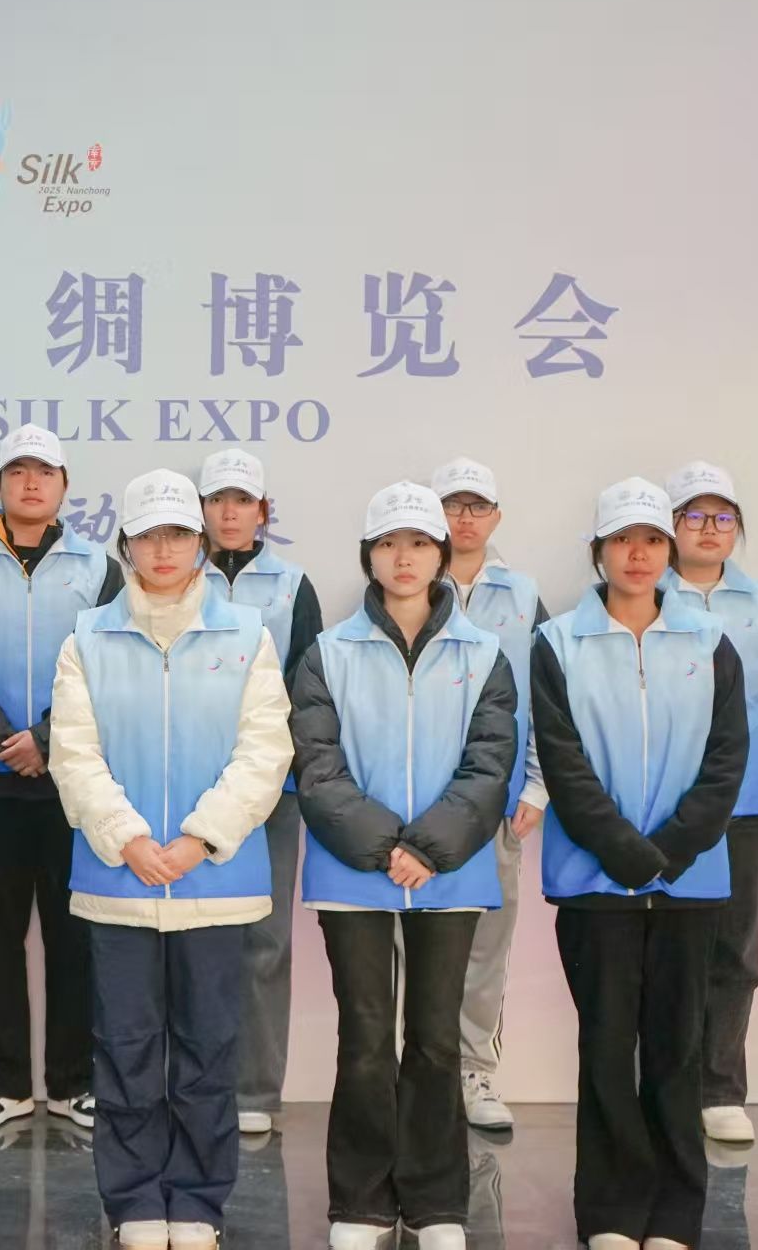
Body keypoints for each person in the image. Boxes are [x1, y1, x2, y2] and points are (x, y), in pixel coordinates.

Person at [49, 469, 293, 1250]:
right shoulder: (88, 638)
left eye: (178, 534)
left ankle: (197, 1202)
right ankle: (131, 1201)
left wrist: (198, 839)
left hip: (213, 879)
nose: (164, 549)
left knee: (207, 1048)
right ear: (125, 545)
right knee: (124, 1047)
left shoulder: (248, 635)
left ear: (201, 542)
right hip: (118, 877)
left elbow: (265, 751)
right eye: (148, 535)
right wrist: (126, 837)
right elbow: (74, 753)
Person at [291, 481, 516, 1250]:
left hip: (449, 873)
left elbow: (490, 764)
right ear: (369, 556)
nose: (405, 557)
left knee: (434, 1039)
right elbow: (317, 765)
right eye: (389, 544)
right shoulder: (328, 653)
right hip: (352, 870)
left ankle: (435, 1203)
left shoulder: (483, 654)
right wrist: (386, 845)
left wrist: (429, 847)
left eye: (419, 543)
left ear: (442, 554)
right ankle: (359, 1203)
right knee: (363, 1038)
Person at [533, 478, 749, 1250]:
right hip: (595, 881)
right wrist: (626, 852)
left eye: (653, 539)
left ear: (669, 549)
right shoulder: (558, 643)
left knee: (676, 1050)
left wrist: (673, 850)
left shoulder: (709, 642)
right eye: (622, 539)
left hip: (689, 881)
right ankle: (611, 1214)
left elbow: (727, 757)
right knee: (605, 1049)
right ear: (598, 551)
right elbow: (562, 761)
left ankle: (676, 1214)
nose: (638, 554)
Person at [0, 424, 122, 1133]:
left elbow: (110, 660)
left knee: (77, 938)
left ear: (64, 486)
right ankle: (4, 1082)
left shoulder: (99, 567)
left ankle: (77, 1082)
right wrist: (2, 740)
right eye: (18, 471)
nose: (31, 483)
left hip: (73, 779)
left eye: (45, 472)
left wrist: (46, 738)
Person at [659, 461, 758, 1146]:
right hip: (662, 797)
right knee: (664, 947)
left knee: (735, 947)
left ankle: (720, 1090)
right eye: (694, 516)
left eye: (722, 517)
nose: (709, 529)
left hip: (749, 801)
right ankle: (662, 1085)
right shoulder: (639, 594)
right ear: (670, 527)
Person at [195, 448, 324, 1136]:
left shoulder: (293, 585)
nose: (229, 512)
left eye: (242, 500)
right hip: (186, 785)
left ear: (263, 511)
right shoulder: (172, 573)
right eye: (217, 499)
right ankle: (192, 1083)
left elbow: (305, 689)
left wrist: (266, 769)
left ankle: (254, 1090)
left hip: (272, 789)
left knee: (265, 941)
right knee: (191, 940)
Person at [427, 456, 551, 1133]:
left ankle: (474, 1070)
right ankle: (416, 1071)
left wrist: (536, 783)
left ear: (497, 516)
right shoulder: (407, 580)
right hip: (417, 800)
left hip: (498, 798)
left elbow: (544, 696)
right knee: (409, 943)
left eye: (477, 506)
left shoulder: (523, 594)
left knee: (486, 943)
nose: (465, 518)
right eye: (453, 505)